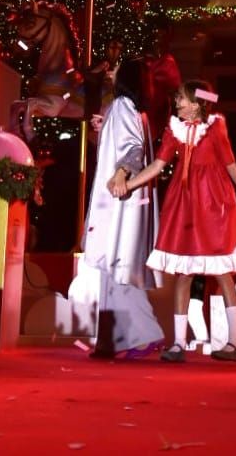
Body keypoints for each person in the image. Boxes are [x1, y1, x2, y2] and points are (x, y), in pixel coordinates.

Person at [117, 80, 236, 364]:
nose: (177, 103)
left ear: (195, 104)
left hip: (215, 205)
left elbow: (231, 165)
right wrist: (130, 184)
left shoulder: (216, 126)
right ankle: (179, 343)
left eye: (182, 99)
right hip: (184, 205)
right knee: (183, 273)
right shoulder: (174, 129)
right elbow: (157, 165)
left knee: (221, 272)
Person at [69, 58, 163, 360]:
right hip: (127, 200)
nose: (110, 71)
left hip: (119, 201)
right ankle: (122, 338)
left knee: (115, 266)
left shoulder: (123, 104)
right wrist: (105, 125)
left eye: (116, 68)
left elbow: (132, 148)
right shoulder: (133, 109)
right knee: (117, 271)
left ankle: (128, 338)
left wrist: (122, 173)